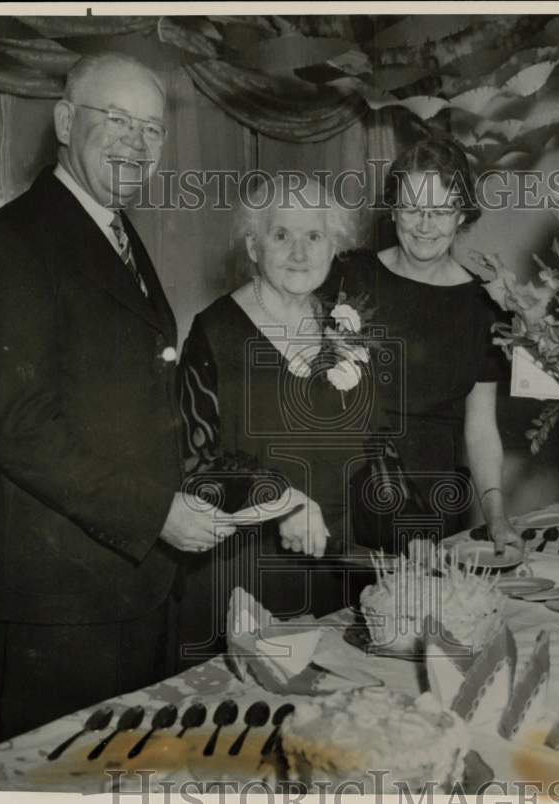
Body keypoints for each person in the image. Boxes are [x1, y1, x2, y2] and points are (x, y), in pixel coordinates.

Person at [0, 53, 233, 740]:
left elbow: (127, 403)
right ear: (66, 122)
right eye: (118, 120)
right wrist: (156, 512)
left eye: (152, 129)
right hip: (60, 604)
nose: (137, 143)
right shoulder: (11, 244)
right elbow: (21, 429)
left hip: (129, 586)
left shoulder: (113, 231)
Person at [176, 173, 362, 668]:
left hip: (333, 575)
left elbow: (370, 445)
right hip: (241, 578)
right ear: (254, 246)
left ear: (333, 248)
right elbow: (194, 463)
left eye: (314, 236)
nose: (299, 253)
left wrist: (412, 541)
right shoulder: (214, 331)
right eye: (282, 235)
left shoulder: (342, 324)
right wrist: (284, 501)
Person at [329, 138, 520, 553]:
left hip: (433, 502)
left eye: (440, 211)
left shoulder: (483, 305)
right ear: (393, 209)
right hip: (343, 495)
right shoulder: (349, 274)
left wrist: (497, 517)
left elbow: (482, 427)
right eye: (413, 209)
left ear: (462, 215)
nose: (425, 225)